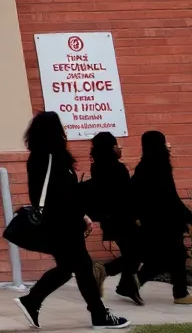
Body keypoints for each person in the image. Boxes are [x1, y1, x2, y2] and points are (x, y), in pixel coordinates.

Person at [14, 112, 129, 330]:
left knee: (70, 268)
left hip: (61, 221)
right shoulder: (50, 157)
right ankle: (98, 315)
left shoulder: (41, 156)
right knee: (82, 267)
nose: (64, 131)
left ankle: (33, 301)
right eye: (61, 127)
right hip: (63, 223)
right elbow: (62, 193)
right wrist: (83, 206)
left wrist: (81, 214)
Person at [132, 130, 192, 305]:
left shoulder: (144, 166)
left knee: (166, 258)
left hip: (153, 221)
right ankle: (180, 293)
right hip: (166, 221)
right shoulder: (160, 165)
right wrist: (188, 216)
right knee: (175, 256)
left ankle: (137, 282)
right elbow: (170, 197)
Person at [86, 132, 143, 305]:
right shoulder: (117, 169)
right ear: (111, 148)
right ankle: (104, 270)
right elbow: (126, 196)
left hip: (110, 218)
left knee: (132, 253)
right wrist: (136, 216)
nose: (120, 149)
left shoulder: (98, 167)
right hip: (123, 218)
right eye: (117, 145)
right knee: (137, 252)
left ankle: (126, 286)